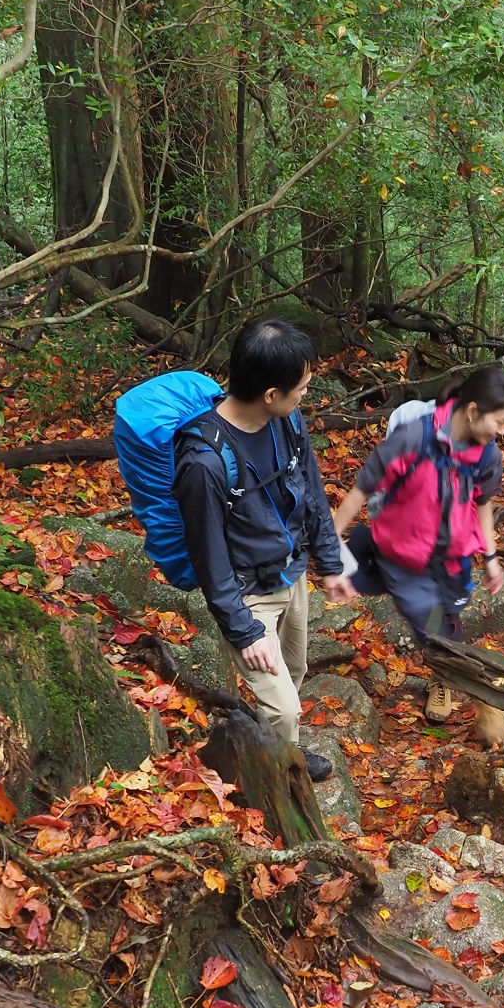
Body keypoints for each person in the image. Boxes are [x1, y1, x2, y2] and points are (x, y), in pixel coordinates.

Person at [174, 319, 357, 777]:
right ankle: (282, 784)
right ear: (271, 394)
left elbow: (310, 489)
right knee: (284, 708)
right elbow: (209, 556)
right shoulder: (204, 462)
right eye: (302, 388)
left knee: (293, 673)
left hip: (290, 573)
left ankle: (276, 750)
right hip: (248, 592)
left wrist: (329, 561)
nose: (305, 396)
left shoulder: (286, 421)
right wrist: (244, 631)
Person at [332, 364, 504, 746]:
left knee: (448, 618)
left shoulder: (487, 455)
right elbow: (359, 491)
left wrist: (491, 557)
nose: (502, 431)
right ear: (473, 411)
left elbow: (483, 503)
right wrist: (329, 550)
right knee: (434, 628)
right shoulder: (412, 439)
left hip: (452, 559)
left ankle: (446, 676)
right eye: (500, 422)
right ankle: (486, 704)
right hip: (403, 560)